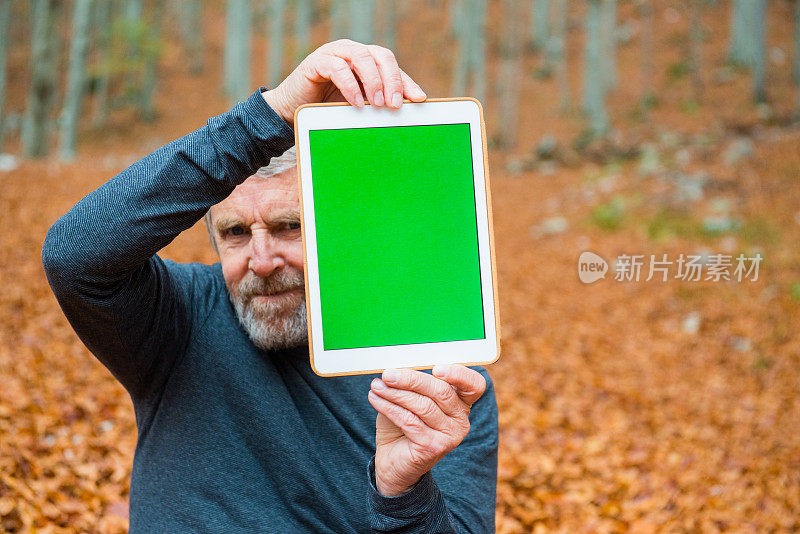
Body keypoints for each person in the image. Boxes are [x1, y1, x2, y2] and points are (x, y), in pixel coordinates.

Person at [42, 40, 498, 533]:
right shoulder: (176, 315)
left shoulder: (437, 377)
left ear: (347, 232)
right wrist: (273, 114)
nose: (261, 261)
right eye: (235, 233)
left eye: (288, 227)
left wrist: (402, 493)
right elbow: (74, 256)